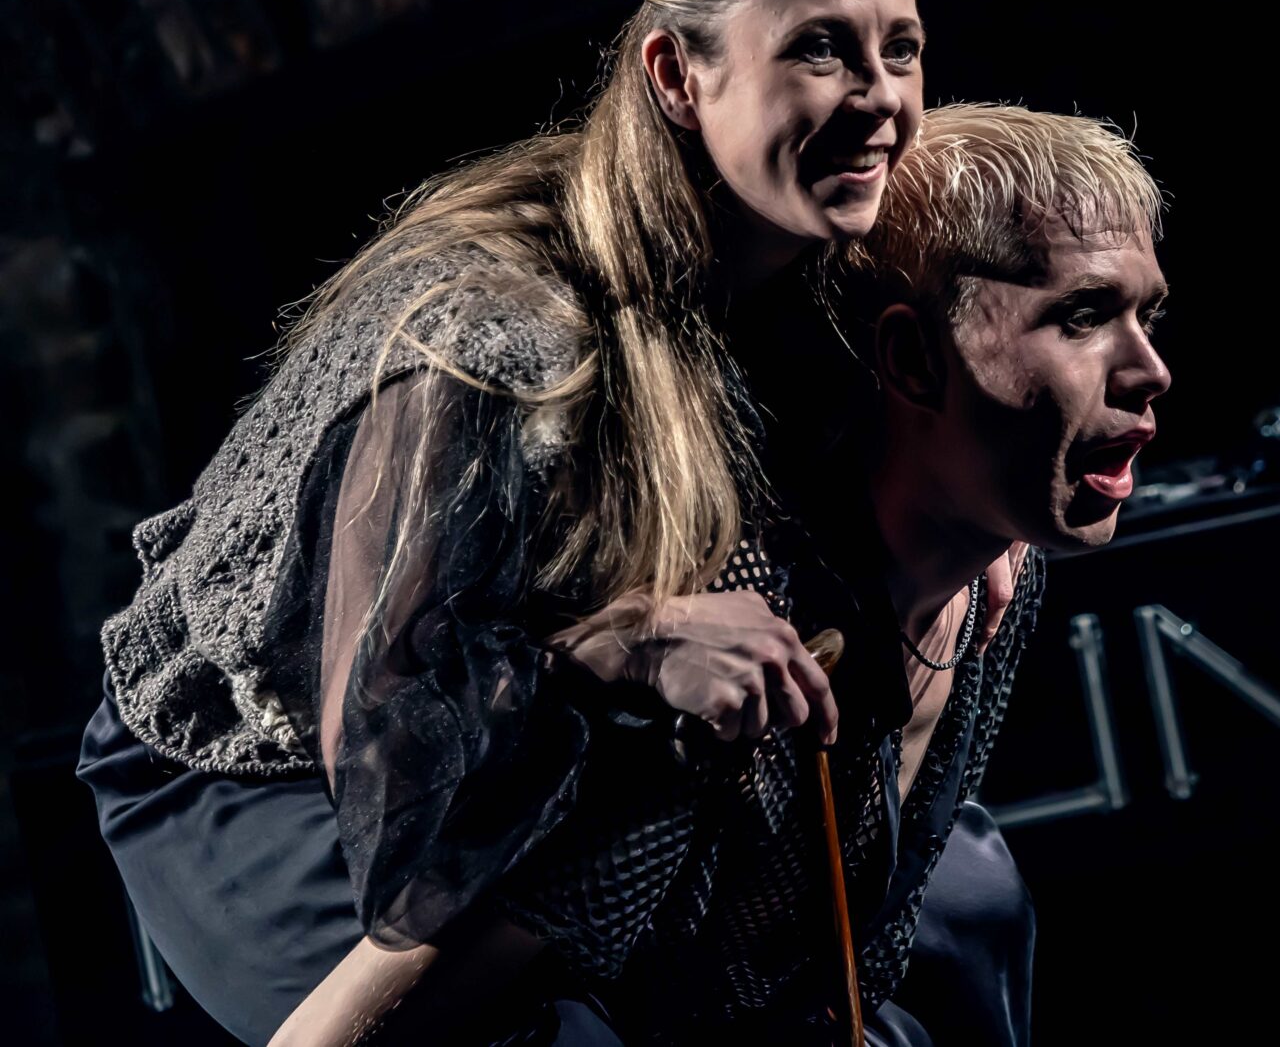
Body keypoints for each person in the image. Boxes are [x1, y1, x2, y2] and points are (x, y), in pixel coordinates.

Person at [79, 0, 939, 1044]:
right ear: (676, 74)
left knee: (956, 914)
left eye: (901, 48)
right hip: (268, 760)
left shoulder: (806, 270)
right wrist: (625, 644)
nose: (881, 94)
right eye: (820, 49)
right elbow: (392, 744)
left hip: (540, 720)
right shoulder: (489, 330)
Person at [275, 103, 1173, 1046]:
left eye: (1146, 313)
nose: (1151, 370)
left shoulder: (999, 574)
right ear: (911, 357)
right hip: (298, 794)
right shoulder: (734, 639)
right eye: (1082, 317)